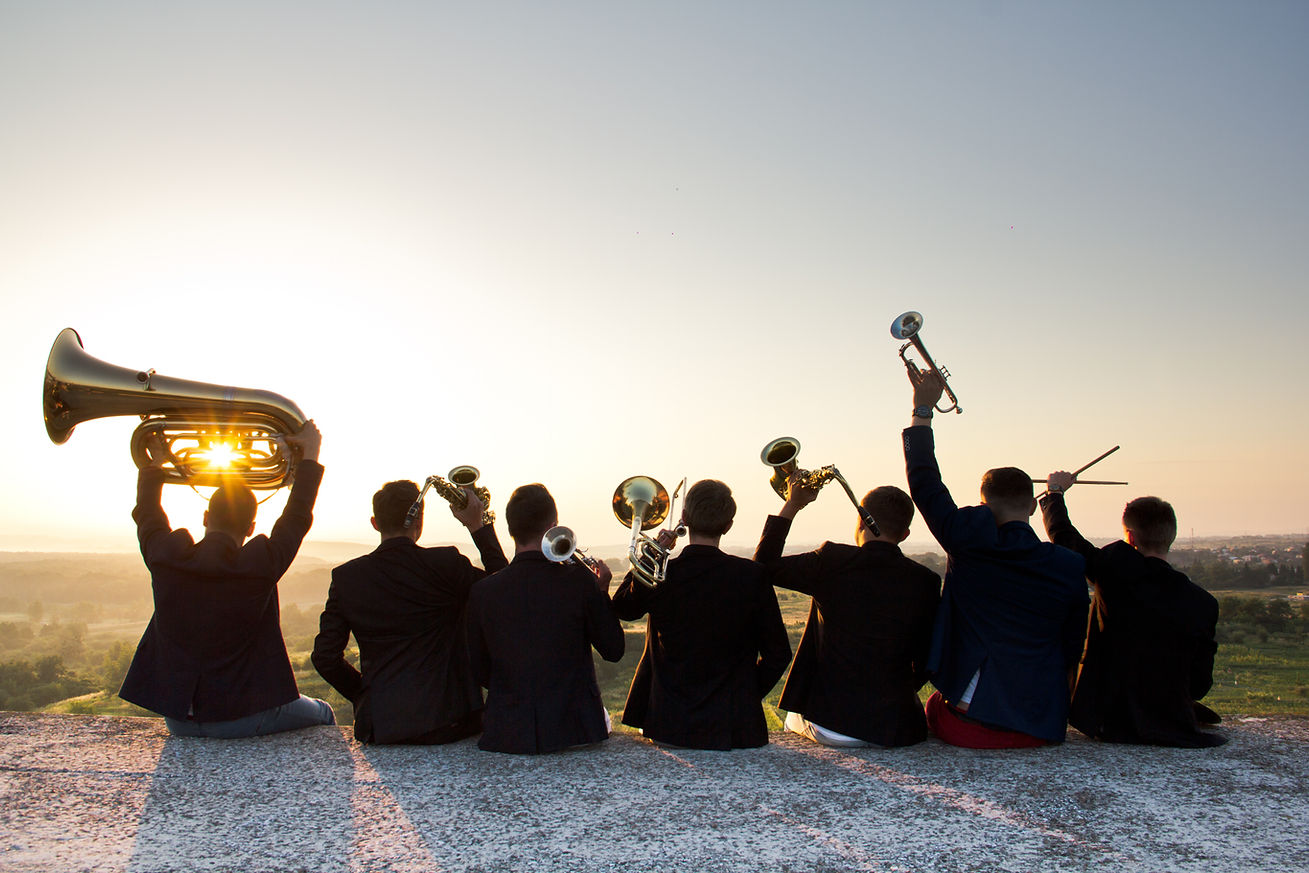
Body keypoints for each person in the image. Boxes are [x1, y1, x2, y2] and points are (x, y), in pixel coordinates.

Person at [903, 371, 1088, 748]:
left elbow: (924, 482)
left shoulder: (968, 543)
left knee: (936, 704)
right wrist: (1055, 494)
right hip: (1042, 722)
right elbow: (1073, 645)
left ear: (984, 504)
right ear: (1033, 509)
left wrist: (922, 409)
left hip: (971, 721)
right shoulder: (1068, 566)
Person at [119, 422, 335, 738]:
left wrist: (157, 462)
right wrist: (311, 451)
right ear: (250, 527)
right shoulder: (259, 564)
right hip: (244, 715)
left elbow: (147, 513)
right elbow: (298, 516)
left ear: (206, 518)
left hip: (179, 720)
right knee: (324, 713)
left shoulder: (166, 558)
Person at [312, 478, 508, 744]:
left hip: (381, 727)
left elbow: (325, 657)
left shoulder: (346, 578)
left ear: (375, 523)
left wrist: (366, 695)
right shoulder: (446, 564)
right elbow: (503, 591)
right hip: (451, 722)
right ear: (420, 521)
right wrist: (477, 526)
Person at [1040, 473, 1225, 747]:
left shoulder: (1114, 569)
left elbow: (1065, 538)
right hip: (1170, 719)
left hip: (1109, 718)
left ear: (1130, 536)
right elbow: (1199, 684)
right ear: (1172, 536)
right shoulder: (1204, 603)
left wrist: (1055, 493)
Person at [754, 478, 940, 748]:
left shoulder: (832, 560)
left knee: (792, 719)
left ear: (861, 522)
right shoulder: (927, 581)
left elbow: (763, 566)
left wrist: (792, 505)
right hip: (896, 728)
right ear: (905, 534)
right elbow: (926, 660)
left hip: (828, 723)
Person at [613, 479, 792, 750]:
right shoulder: (752, 576)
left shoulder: (664, 574)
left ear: (684, 518)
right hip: (734, 729)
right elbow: (778, 655)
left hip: (669, 726)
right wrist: (744, 696)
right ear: (728, 525)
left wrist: (653, 553)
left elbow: (623, 608)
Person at [466, 483, 624, 754]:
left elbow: (479, 671)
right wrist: (601, 593)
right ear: (554, 526)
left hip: (506, 732)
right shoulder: (580, 581)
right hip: (576, 730)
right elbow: (613, 650)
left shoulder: (483, 592)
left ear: (510, 529)